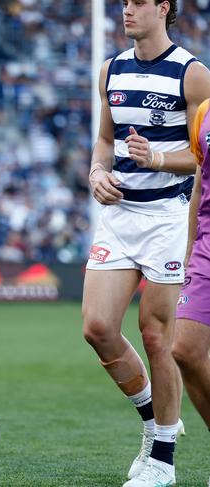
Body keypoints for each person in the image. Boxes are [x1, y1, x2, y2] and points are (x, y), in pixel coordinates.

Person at [83, 1, 210, 485]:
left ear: (163, 8)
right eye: (124, 3)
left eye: (138, 2)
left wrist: (158, 158)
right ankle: (160, 420)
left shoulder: (193, 75)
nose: (126, 10)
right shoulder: (110, 69)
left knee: (157, 336)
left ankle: (161, 461)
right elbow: (103, 139)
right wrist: (97, 171)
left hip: (167, 218)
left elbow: (205, 155)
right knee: (97, 327)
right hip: (118, 215)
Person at [172, 98, 210, 487]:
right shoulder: (204, 112)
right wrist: (189, 248)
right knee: (183, 348)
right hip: (207, 249)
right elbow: (201, 181)